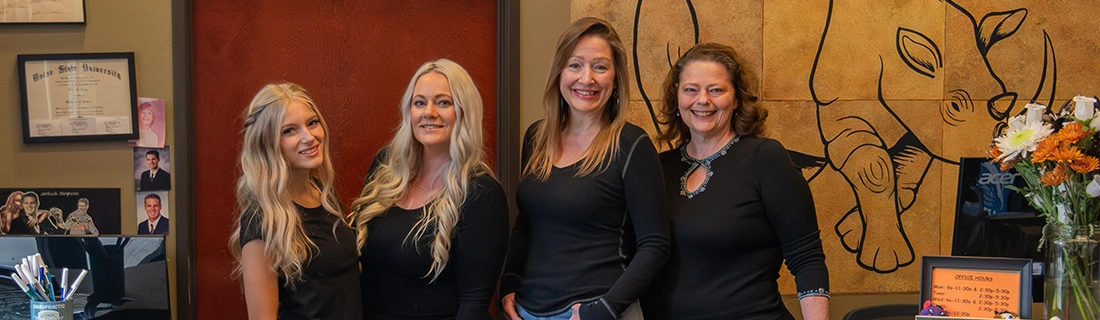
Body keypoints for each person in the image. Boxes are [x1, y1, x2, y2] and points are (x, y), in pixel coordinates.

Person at [640, 43, 830, 320]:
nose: (702, 100)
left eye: (716, 90)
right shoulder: (657, 167)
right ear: (677, 100)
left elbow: (807, 258)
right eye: (690, 89)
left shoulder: (765, 158)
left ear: (737, 99)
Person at [500, 17, 670, 320]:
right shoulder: (536, 138)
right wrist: (508, 284)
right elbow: (525, 225)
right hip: (527, 311)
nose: (586, 78)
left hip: (597, 311)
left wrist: (604, 310)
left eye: (600, 67)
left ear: (615, 79)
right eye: (575, 65)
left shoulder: (631, 145)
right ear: (559, 73)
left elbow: (655, 244)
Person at [352, 59, 509, 319]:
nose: (429, 112)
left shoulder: (481, 193)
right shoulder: (385, 168)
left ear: (464, 112)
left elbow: (473, 306)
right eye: (420, 102)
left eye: (443, 102)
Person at [227, 82, 362, 320]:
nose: (309, 137)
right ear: (267, 143)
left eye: (312, 123)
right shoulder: (262, 220)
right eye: (289, 130)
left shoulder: (323, 194)